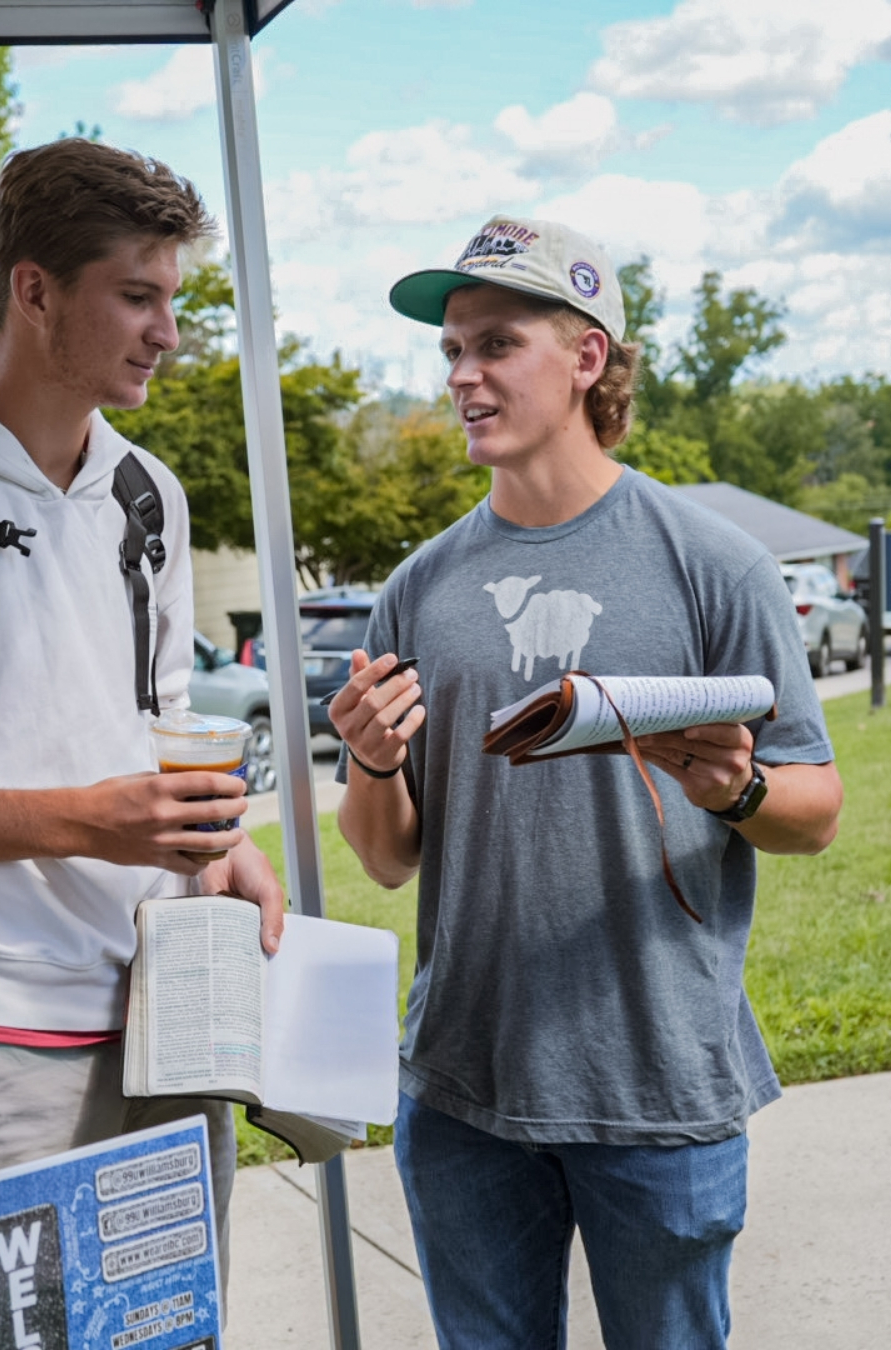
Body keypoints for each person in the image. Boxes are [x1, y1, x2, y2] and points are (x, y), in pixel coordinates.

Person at [327, 216, 843, 1349]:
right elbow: (387, 854)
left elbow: (814, 811)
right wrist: (369, 761)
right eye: (452, 349)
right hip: (463, 1088)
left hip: (657, 1084)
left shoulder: (715, 564)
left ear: (588, 357)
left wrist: (737, 794)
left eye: (496, 343)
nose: (463, 374)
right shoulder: (418, 589)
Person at [0, 139, 284, 1350]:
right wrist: (85, 819)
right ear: (34, 291)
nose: (167, 332)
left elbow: (158, 708)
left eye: (172, 298)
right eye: (137, 294)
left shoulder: (150, 499)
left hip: (165, 1028)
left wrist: (220, 844)